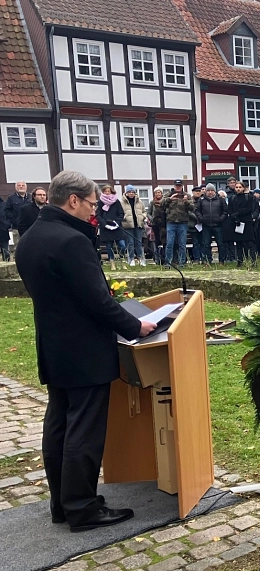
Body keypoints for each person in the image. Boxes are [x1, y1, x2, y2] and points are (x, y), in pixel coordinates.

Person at [16, 170, 156, 531]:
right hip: (85, 350)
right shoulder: (71, 241)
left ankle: (63, 503)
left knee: (59, 425)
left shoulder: (32, 237)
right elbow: (97, 301)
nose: (95, 213)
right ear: (73, 200)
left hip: (55, 346)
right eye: (92, 204)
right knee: (84, 431)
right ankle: (82, 507)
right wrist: (135, 325)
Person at [161, 181, 194, 267]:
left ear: (182, 186)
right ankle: (168, 262)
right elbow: (161, 204)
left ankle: (181, 262)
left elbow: (192, 207)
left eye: (179, 186)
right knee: (169, 243)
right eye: (177, 186)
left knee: (182, 244)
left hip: (182, 222)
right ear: (174, 186)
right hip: (171, 222)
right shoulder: (168, 194)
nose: (178, 187)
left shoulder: (187, 195)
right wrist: (170, 199)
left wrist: (186, 201)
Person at [228, 181, 258, 267]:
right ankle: (239, 261)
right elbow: (230, 210)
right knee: (238, 243)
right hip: (236, 223)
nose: (238, 189)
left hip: (247, 222)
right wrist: (235, 218)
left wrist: (237, 213)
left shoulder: (249, 198)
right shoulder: (232, 198)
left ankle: (253, 261)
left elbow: (249, 209)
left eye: (240, 187)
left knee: (250, 243)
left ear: (243, 188)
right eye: (236, 187)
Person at [95, 185, 126, 271]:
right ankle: (112, 262)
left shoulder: (116, 201)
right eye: (105, 191)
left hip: (116, 226)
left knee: (122, 245)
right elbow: (98, 215)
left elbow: (121, 213)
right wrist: (104, 224)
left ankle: (122, 260)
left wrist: (117, 222)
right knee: (109, 246)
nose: (107, 193)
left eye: (109, 191)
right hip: (106, 227)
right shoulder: (100, 202)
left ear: (112, 192)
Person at [197, 183, 227, 264]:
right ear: (206, 191)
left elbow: (225, 211)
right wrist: (201, 219)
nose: (210, 192)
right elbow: (197, 211)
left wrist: (220, 219)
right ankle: (208, 260)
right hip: (206, 225)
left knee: (220, 244)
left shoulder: (220, 200)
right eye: (208, 190)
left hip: (218, 225)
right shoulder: (201, 200)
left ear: (214, 191)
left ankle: (221, 260)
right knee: (206, 244)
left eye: (212, 190)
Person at [119, 185, 147, 266]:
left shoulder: (139, 201)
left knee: (139, 242)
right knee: (130, 243)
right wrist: (124, 217)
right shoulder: (122, 202)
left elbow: (144, 211)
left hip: (138, 225)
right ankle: (131, 259)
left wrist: (143, 216)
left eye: (133, 192)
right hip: (128, 225)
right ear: (126, 193)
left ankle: (141, 258)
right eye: (129, 192)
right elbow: (120, 213)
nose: (131, 194)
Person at [2, 181, 29, 257]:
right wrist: (14, 220)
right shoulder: (11, 198)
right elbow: (7, 211)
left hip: (30, 227)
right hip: (16, 228)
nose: (21, 187)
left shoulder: (30, 197)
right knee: (18, 246)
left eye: (23, 185)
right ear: (15, 187)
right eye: (19, 185)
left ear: (26, 187)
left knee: (30, 245)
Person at [148, 188, 167, 265]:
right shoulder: (152, 203)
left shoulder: (165, 202)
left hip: (163, 225)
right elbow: (148, 213)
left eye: (159, 192)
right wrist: (152, 219)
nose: (158, 194)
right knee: (156, 242)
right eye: (156, 192)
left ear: (162, 193)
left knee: (165, 241)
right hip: (155, 225)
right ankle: (157, 259)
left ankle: (165, 258)